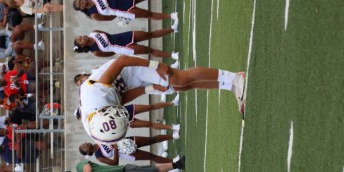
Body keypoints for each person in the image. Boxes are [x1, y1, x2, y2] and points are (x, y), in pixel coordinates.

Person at [80, 56, 246, 143]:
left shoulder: (95, 93)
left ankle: (235, 78)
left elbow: (122, 60)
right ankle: (231, 87)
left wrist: (155, 65)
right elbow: (121, 101)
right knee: (181, 87)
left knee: (179, 79)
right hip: (125, 85)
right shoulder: (103, 133)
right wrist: (149, 88)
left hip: (128, 69)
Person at [73, 29, 178, 59]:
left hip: (123, 36)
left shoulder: (94, 32)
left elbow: (107, 35)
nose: (82, 37)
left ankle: (173, 29)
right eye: (80, 40)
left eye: (80, 36)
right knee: (149, 50)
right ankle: (172, 55)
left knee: (149, 34)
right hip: (124, 48)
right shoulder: (95, 52)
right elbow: (110, 53)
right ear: (82, 46)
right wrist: (116, 48)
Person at [79, 136, 177, 165]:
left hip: (126, 141)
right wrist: (116, 151)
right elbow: (114, 163)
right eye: (84, 147)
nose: (86, 145)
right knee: (151, 156)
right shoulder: (99, 157)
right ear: (87, 153)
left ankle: (174, 135)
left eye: (84, 144)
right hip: (127, 153)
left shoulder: (97, 139)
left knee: (151, 139)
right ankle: (174, 162)